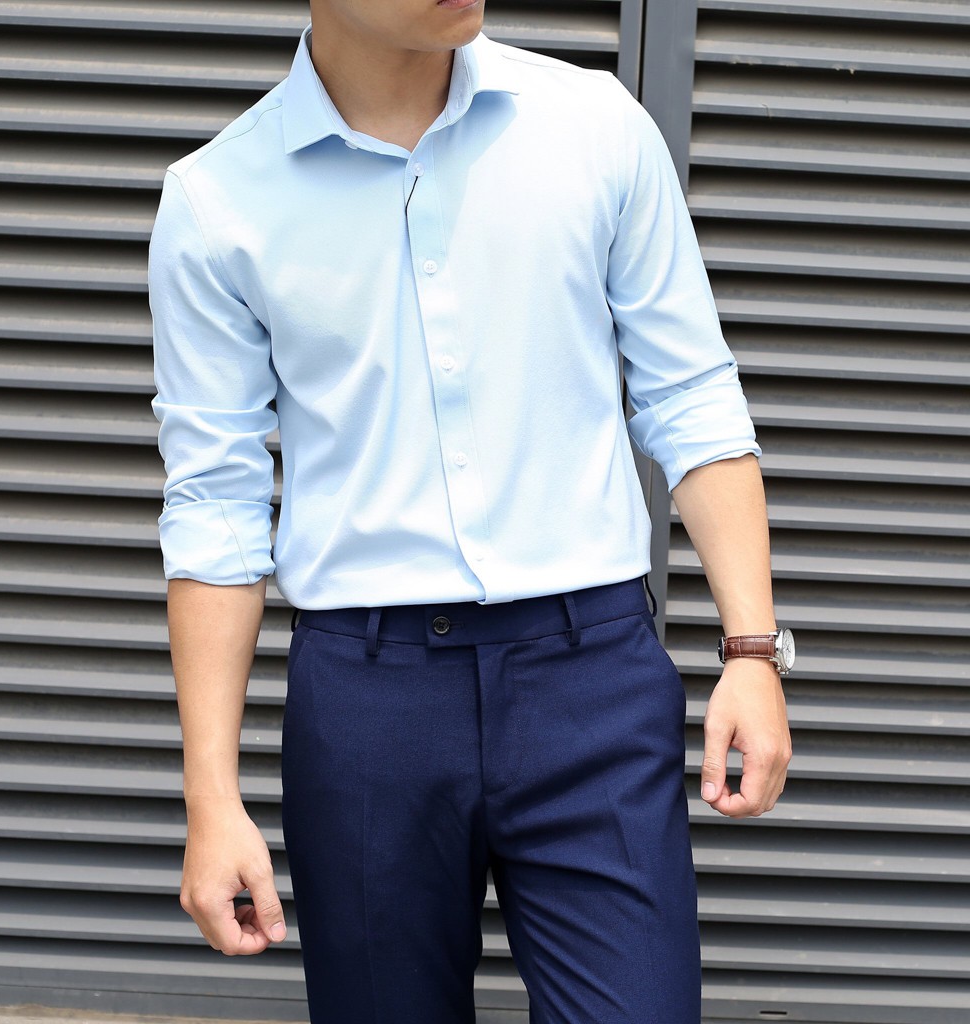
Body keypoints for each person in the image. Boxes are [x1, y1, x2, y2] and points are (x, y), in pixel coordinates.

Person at [148, 1, 793, 1020]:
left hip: (589, 678)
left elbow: (690, 394)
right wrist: (211, 797)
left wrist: (751, 650)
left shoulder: (592, 126)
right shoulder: (218, 201)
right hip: (368, 705)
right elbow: (216, 508)